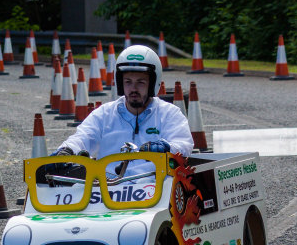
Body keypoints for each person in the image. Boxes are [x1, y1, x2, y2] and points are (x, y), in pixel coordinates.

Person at [55, 45, 194, 170]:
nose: (133, 88)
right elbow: (82, 138)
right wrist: (66, 150)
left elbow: (184, 145)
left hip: (155, 190)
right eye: (128, 82)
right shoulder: (104, 114)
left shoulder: (169, 114)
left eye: (140, 82)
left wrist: (166, 147)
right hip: (108, 190)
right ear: (120, 84)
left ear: (152, 83)